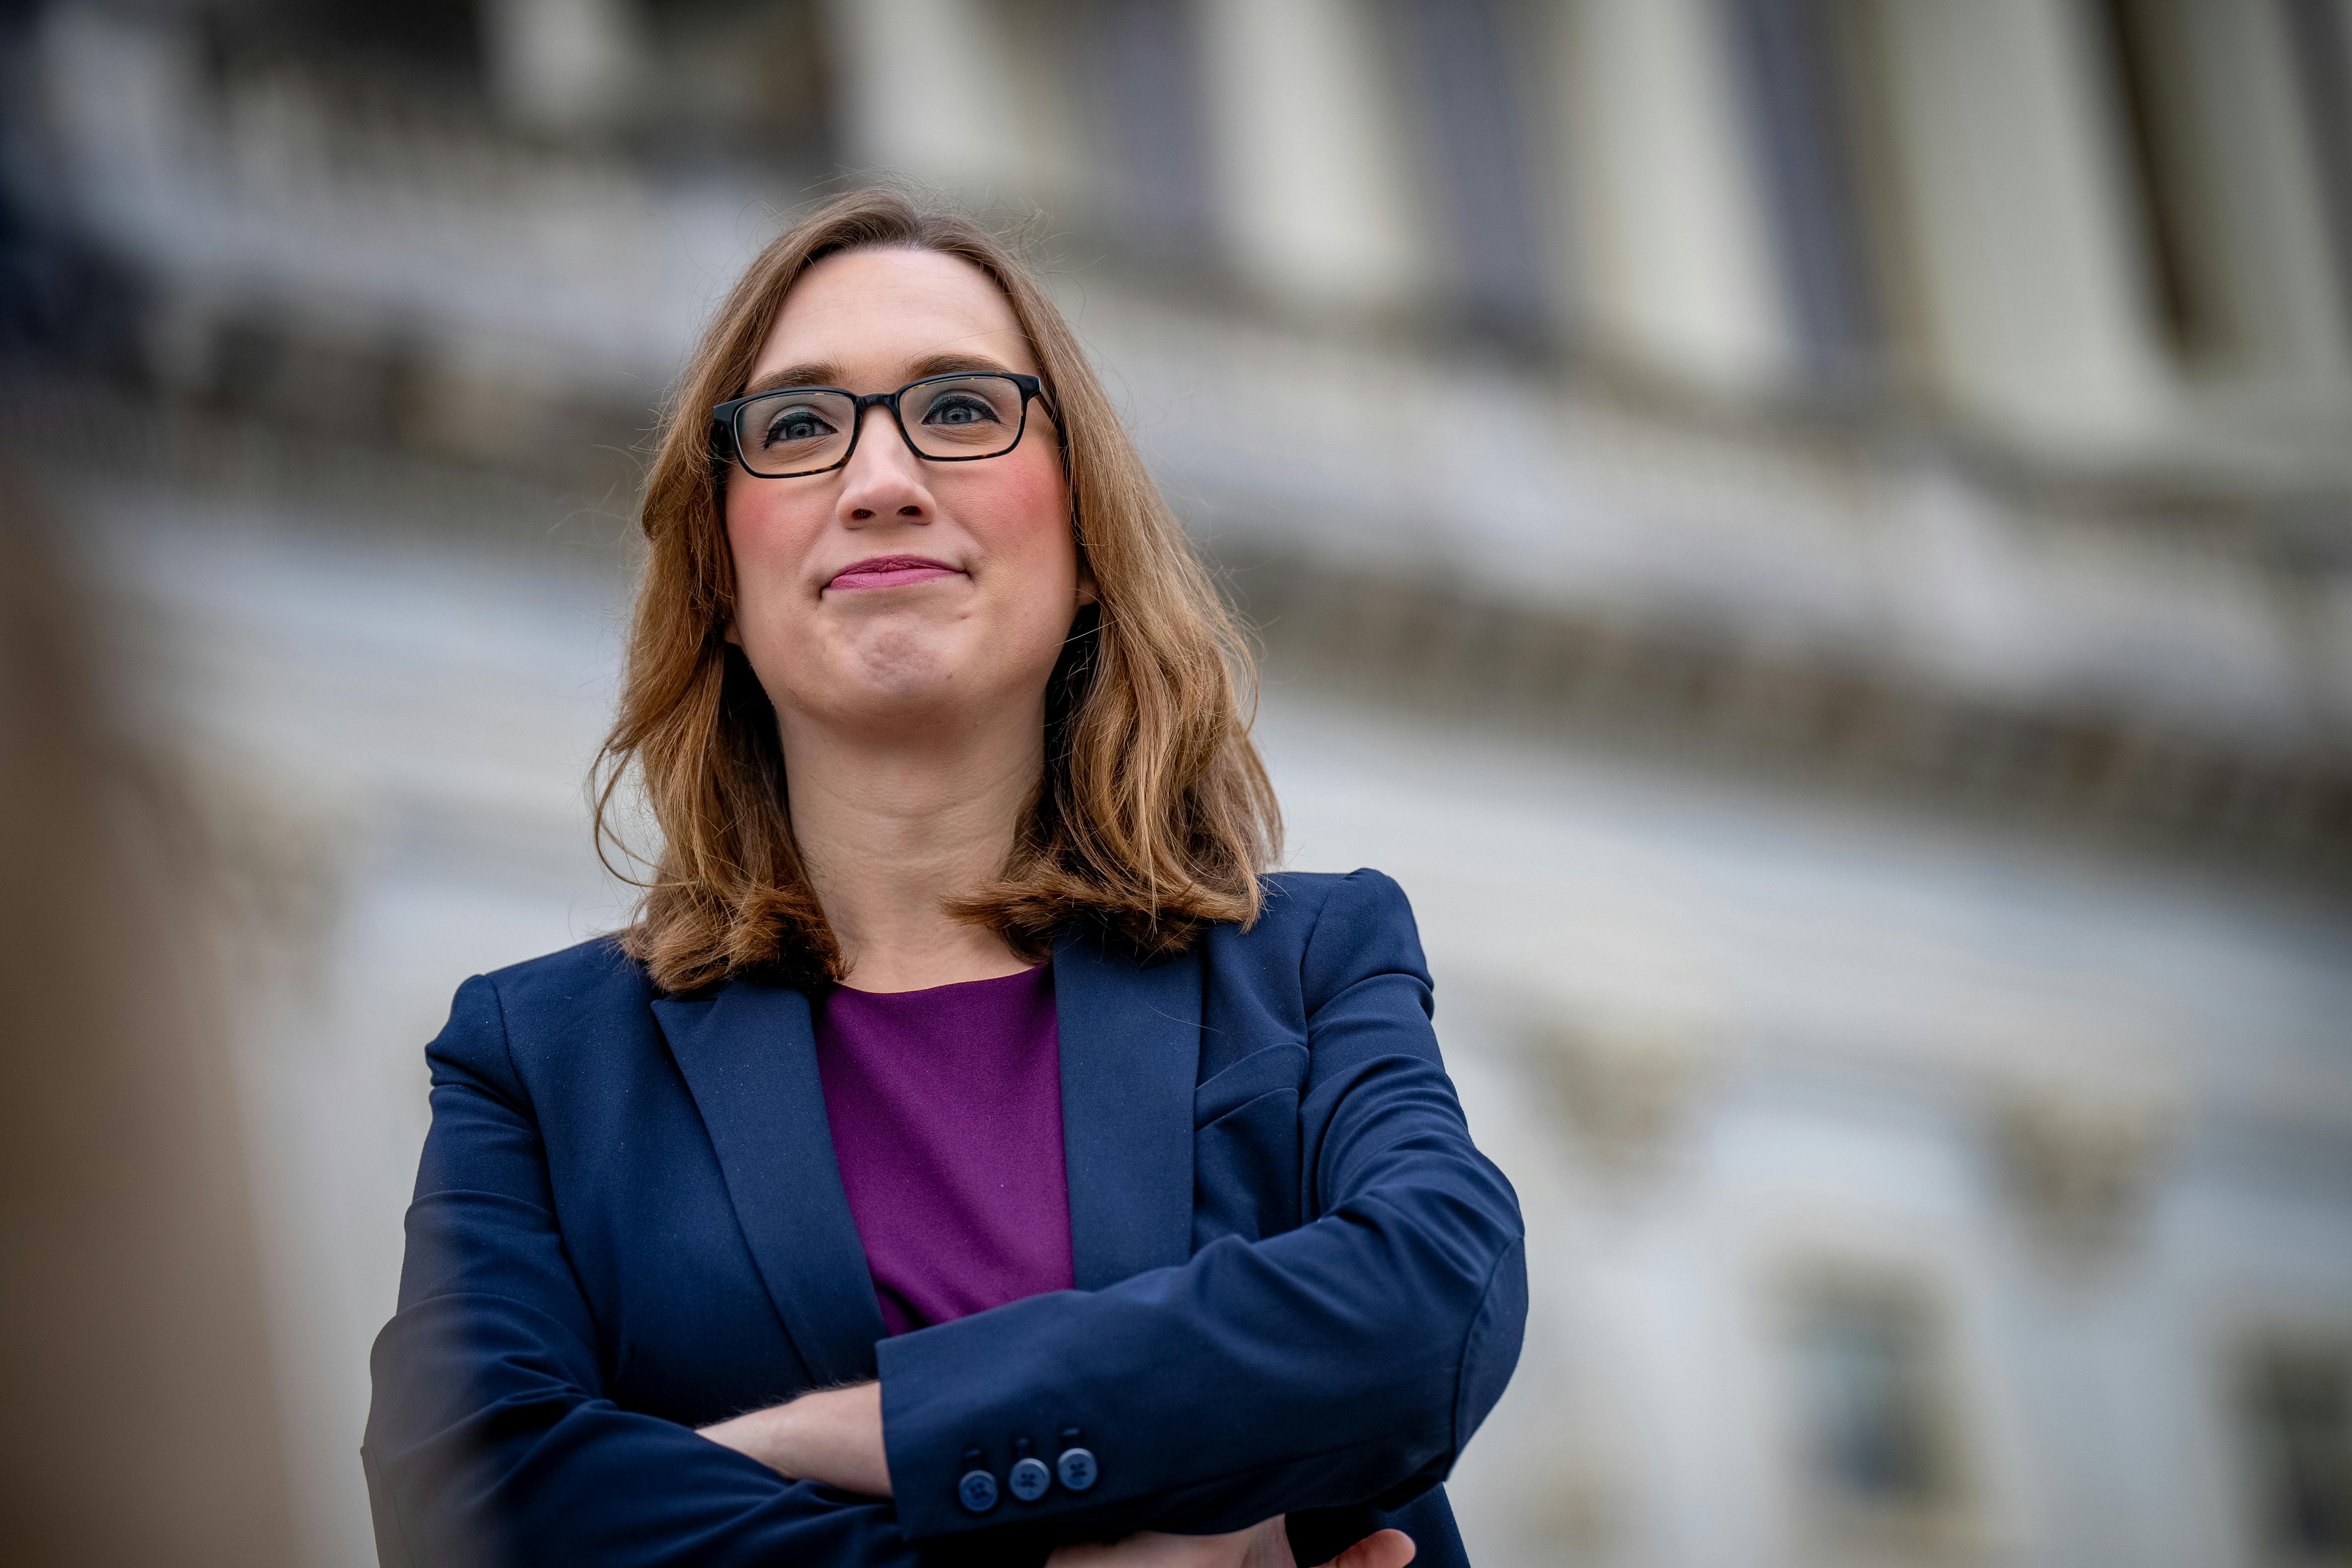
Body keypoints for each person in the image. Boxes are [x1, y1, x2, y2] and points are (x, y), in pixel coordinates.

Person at [363, 188, 1525, 1568]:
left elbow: (1431, 1303)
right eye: (798, 427)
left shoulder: (1313, 962)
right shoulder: (537, 1065)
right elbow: (472, 1498)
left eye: (963, 411)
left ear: (1088, 542)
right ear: (721, 577)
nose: (880, 480)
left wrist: (893, 1435)